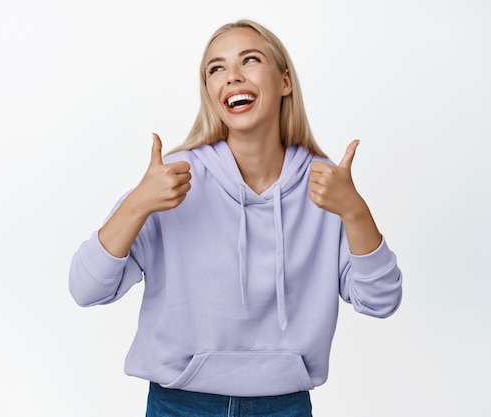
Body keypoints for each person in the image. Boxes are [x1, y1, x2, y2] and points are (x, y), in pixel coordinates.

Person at [69, 19, 402, 417]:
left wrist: (355, 211)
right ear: (209, 92)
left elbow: (380, 301)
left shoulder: (326, 186)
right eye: (216, 68)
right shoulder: (174, 178)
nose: (232, 76)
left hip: (285, 406)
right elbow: (86, 289)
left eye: (250, 60)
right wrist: (137, 204)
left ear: (284, 82)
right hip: (179, 404)